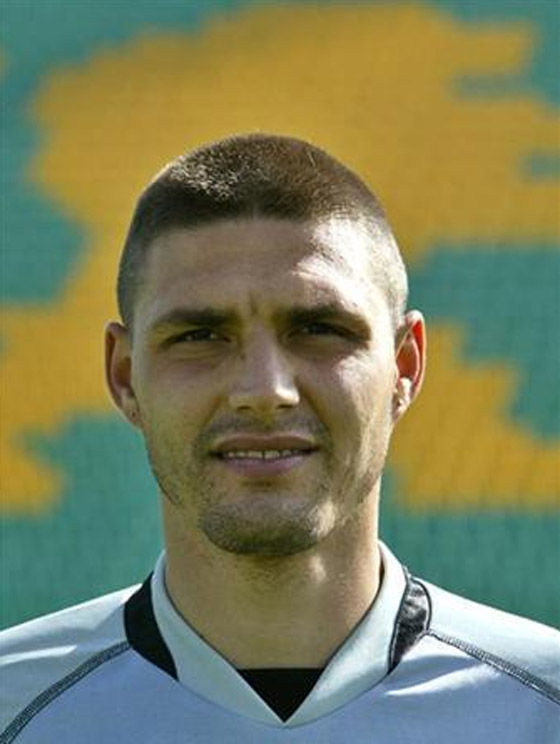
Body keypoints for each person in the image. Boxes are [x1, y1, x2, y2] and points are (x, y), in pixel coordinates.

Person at [1, 133, 558, 743]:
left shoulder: (541, 710)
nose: (265, 390)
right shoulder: (14, 710)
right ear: (124, 374)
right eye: (199, 336)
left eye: (319, 328)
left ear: (404, 366)